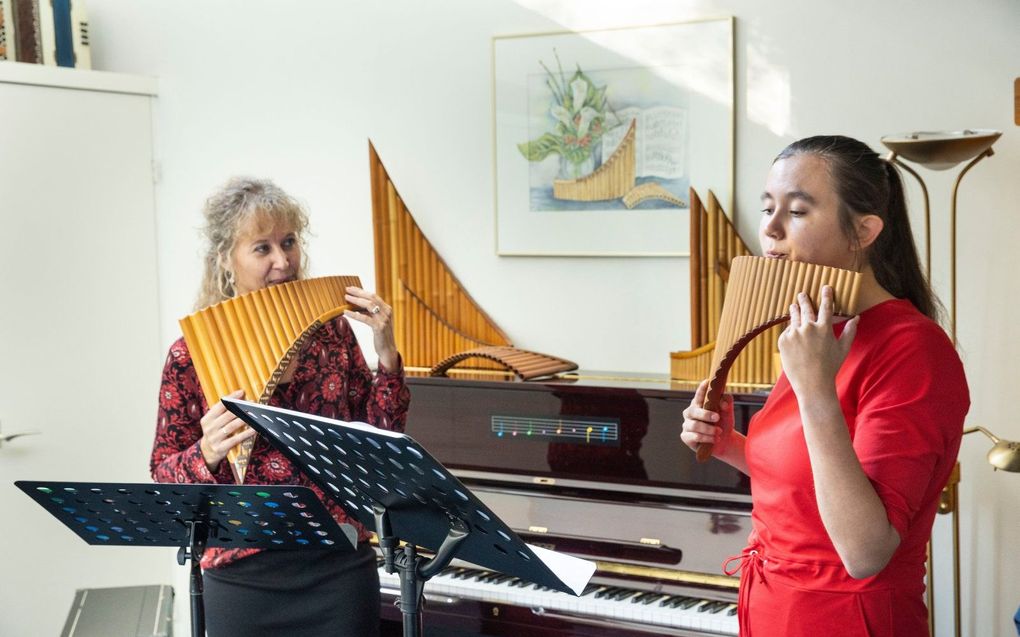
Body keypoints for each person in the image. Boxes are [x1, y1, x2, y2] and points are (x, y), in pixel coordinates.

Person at [681, 136, 969, 636]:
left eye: (796, 211)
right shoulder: (818, 332)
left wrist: (815, 390)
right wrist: (730, 446)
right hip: (770, 607)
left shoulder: (915, 351)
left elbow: (865, 551)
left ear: (863, 230)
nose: (768, 230)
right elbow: (808, 481)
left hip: (848, 619)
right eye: (767, 208)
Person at [150, 177, 410, 637]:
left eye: (288, 242)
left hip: (339, 568)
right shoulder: (189, 356)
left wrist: (385, 349)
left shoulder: (332, 335)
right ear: (226, 260)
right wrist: (207, 451)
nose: (282, 261)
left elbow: (380, 442)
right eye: (262, 248)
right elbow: (164, 477)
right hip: (242, 578)